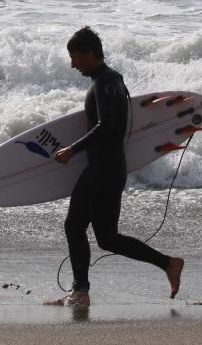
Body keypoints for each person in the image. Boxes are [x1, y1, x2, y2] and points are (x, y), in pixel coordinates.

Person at [50, 27, 184, 307]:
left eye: (75, 57)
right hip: (106, 169)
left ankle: (81, 292)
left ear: (89, 53)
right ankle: (167, 264)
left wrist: (73, 149)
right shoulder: (107, 81)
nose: (73, 64)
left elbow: (108, 126)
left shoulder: (107, 82)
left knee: (79, 228)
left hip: (104, 170)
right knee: (102, 237)